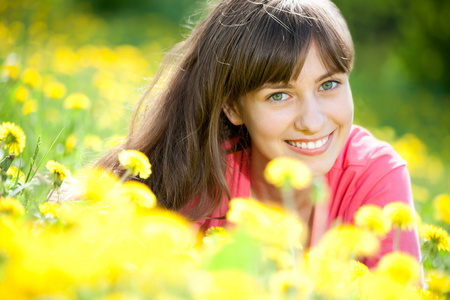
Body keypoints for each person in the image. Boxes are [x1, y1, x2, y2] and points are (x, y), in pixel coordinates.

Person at [96, 0, 421, 268]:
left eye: (329, 85)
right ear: (233, 108)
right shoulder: (206, 172)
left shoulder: (376, 175)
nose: (312, 121)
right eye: (279, 95)